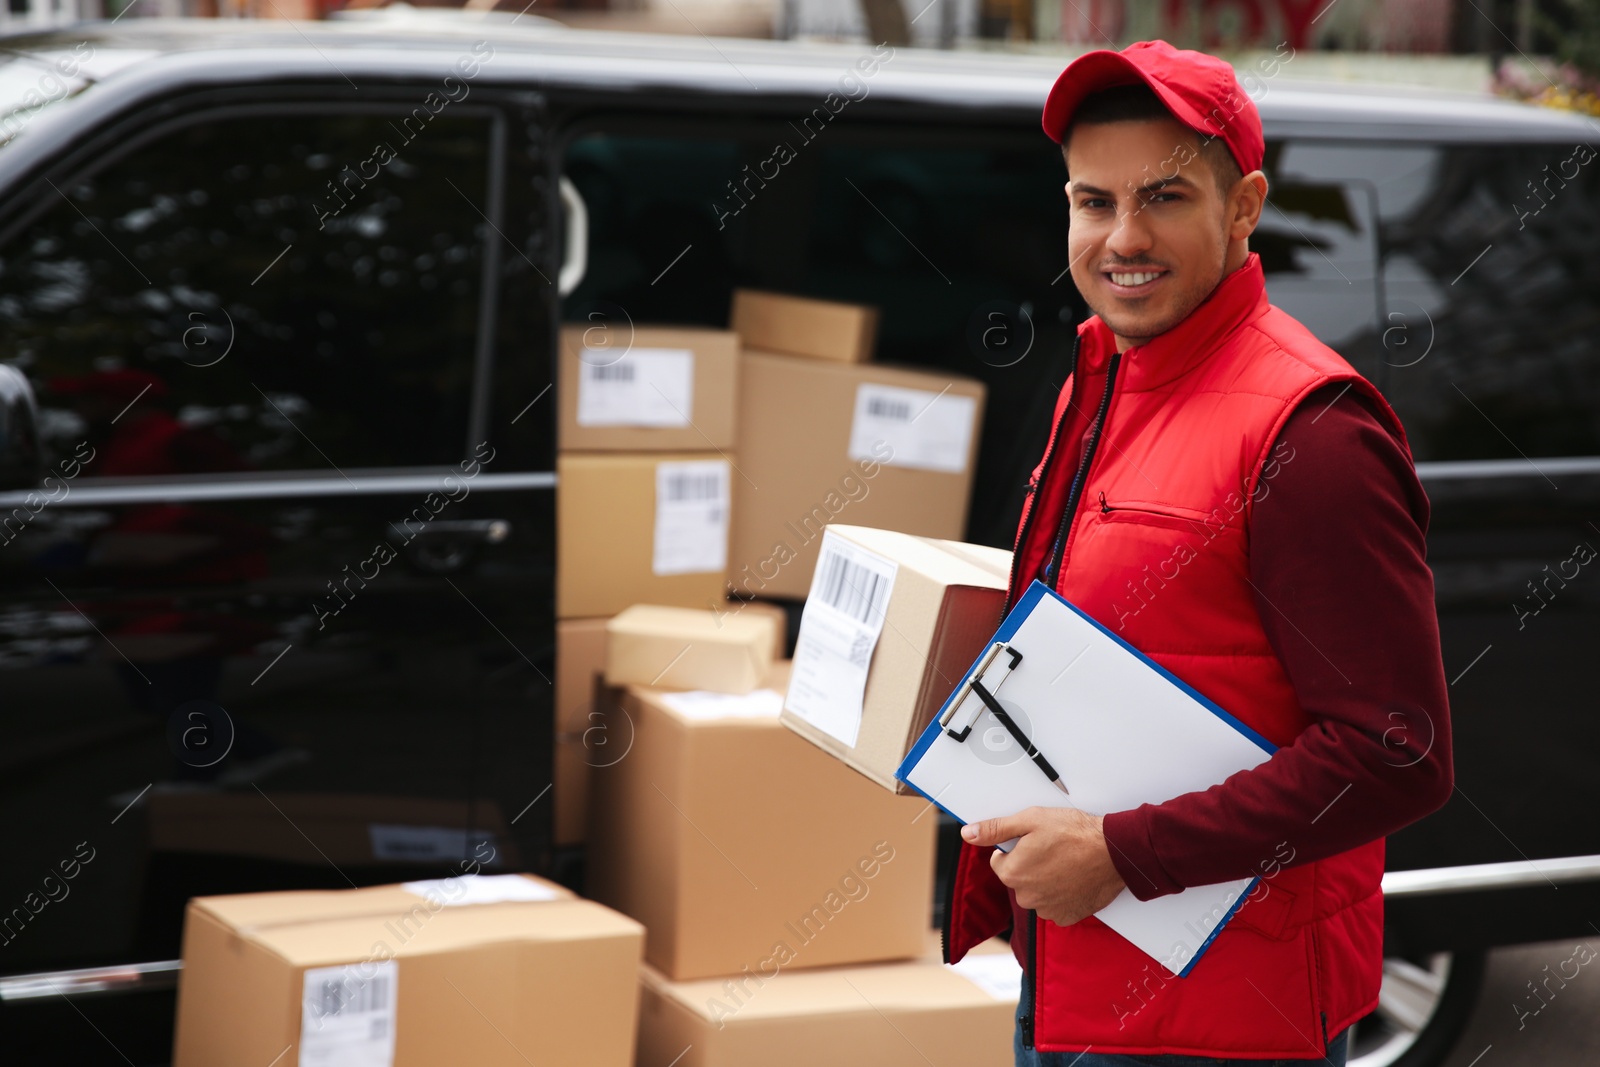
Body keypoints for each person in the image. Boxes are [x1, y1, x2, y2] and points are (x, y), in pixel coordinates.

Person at [942, 40, 1453, 1065]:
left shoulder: (1311, 434)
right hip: (1079, 970)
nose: (1122, 237)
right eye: (1092, 202)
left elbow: (1398, 752)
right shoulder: (1102, 376)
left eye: (1164, 196)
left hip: (1222, 1015)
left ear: (1244, 205)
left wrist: (1122, 855)